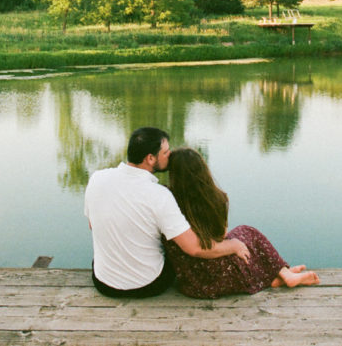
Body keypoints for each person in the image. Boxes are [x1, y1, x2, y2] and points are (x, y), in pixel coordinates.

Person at [83, 127, 251, 298]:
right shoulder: (159, 195)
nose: (170, 155)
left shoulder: (97, 178)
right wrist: (233, 246)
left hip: (104, 283)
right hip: (147, 285)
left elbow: (92, 224)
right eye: (166, 152)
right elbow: (194, 248)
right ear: (150, 158)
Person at [164, 147, 320, 299]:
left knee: (239, 240)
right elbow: (222, 235)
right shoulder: (219, 199)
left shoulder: (168, 202)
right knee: (247, 231)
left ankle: (281, 275)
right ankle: (283, 273)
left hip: (196, 282)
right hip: (224, 272)